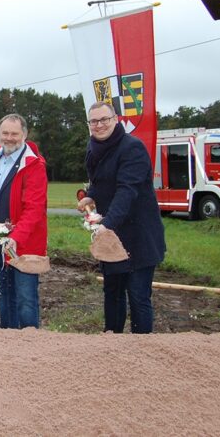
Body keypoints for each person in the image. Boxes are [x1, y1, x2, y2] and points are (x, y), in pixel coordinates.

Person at [77, 102, 165, 334]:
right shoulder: (93, 148)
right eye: (94, 121)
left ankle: (141, 349)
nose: (99, 125)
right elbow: (99, 181)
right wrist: (90, 197)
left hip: (138, 235)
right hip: (111, 236)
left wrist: (106, 224)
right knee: (112, 293)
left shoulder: (132, 148)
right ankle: (111, 344)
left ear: (116, 119)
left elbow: (127, 190)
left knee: (138, 296)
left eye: (104, 119)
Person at [0, 113, 47, 329]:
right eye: (5, 133)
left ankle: (29, 342)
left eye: (14, 133)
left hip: (24, 243)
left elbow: (34, 208)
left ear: (24, 134)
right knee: (3, 290)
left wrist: (16, 237)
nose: (9, 138)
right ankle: (7, 338)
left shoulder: (33, 164)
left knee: (25, 297)